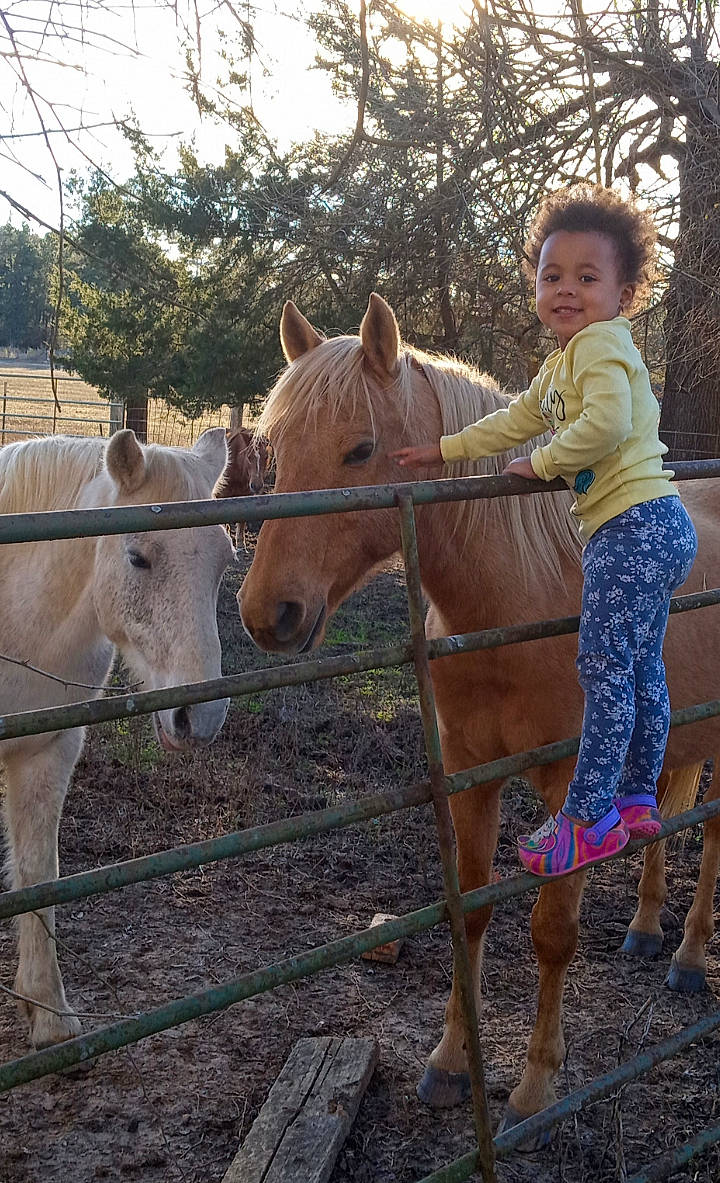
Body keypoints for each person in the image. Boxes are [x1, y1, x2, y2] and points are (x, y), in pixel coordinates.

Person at [390, 184, 698, 878]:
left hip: (630, 527)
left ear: (624, 294)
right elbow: (511, 423)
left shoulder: (599, 349)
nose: (566, 289)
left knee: (602, 670)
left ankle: (587, 818)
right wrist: (443, 449)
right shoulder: (566, 365)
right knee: (642, 666)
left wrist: (547, 463)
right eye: (551, 275)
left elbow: (607, 426)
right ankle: (642, 797)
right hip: (659, 525)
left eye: (588, 277)